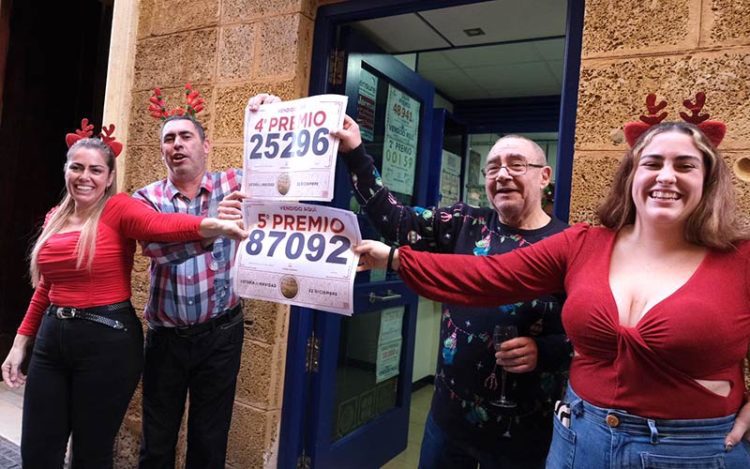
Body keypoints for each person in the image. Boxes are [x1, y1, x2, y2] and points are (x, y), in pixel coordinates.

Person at [355, 115, 750, 466]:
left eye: (685, 165)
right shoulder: (582, 244)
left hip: (690, 449)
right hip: (575, 436)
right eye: (652, 163)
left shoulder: (740, 258)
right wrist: (392, 256)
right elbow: (486, 275)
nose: (666, 176)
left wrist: (544, 350)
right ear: (631, 175)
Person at [0, 121, 247, 469]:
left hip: (108, 338)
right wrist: (20, 343)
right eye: (77, 167)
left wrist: (213, 226)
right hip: (53, 339)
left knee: (92, 452)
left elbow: (160, 226)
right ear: (66, 171)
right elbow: (46, 286)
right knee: (38, 450)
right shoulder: (54, 217)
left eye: (96, 170)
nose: (85, 177)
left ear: (109, 177)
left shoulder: (119, 208)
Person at [330, 116, 570, 467]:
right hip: (448, 425)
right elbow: (394, 220)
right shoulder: (463, 224)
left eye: (516, 165)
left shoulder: (567, 245)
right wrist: (355, 152)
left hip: (523, 433)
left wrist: (545, 351)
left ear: (544, 176)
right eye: (492, 168)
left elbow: (591, 335)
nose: (502, 174)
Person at [134, 91, 280, 469]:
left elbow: (280, 172)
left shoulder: (235, 183)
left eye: (186, 136)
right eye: (169, 139)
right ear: (162, 151)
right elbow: (157, 247)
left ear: (206, 146)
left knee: (210, 440)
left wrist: (266, 116)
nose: (177, 145)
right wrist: (213, 228)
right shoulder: (146, 198)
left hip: (221, 335)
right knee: (157, 440)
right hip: (166, 338)